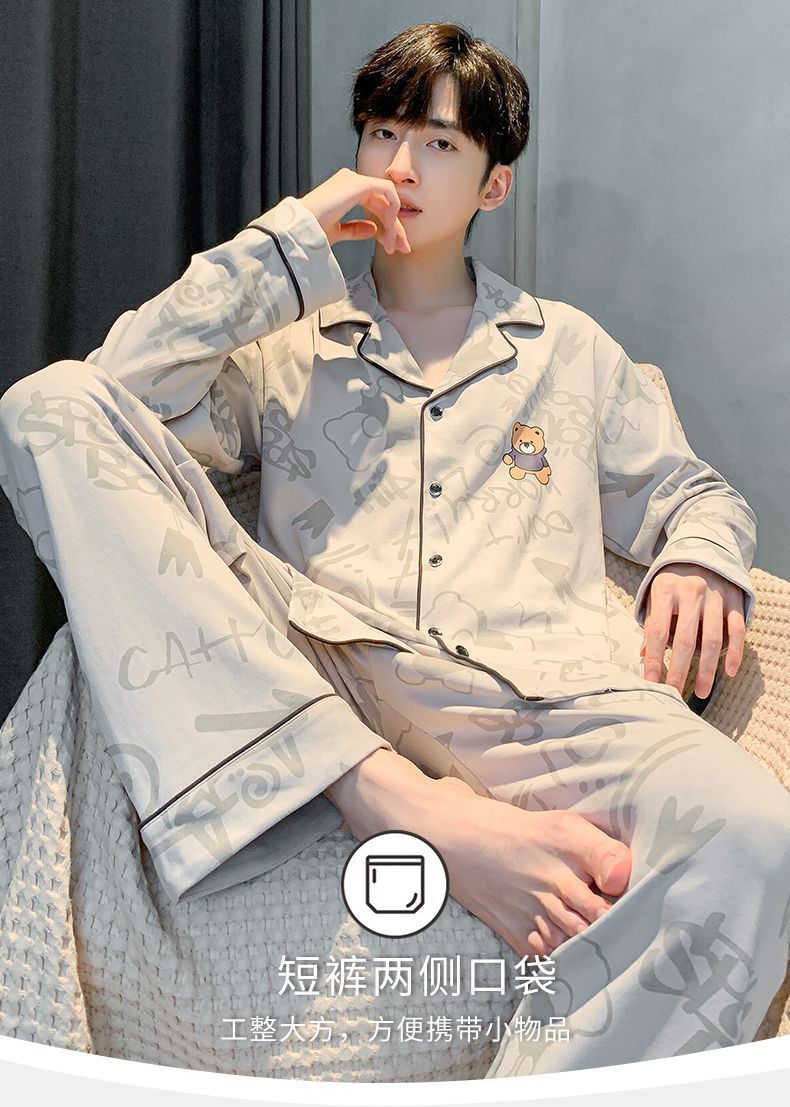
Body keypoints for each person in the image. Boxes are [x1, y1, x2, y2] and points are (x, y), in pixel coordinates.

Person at [0, 20, 788, 1077]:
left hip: (544, 695)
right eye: (381, 133)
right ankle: (391, 799)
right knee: (44, 403)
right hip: (331, 675)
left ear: (494, 186)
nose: (401, 167)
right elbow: (109, 397)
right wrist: (290, 241)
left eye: (440, 143)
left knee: (753, 833)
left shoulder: (570, 350)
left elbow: (691, 492)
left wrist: (698, 552)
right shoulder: (280, 351)